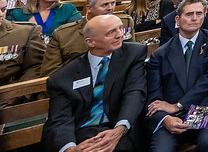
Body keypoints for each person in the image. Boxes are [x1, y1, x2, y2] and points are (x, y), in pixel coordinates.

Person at [42, 15, 147, 152]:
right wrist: (70, 148)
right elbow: (60, 118)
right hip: (83, 130)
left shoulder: (133, 54)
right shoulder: (63, 77)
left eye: (120, 28)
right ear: (90, 42)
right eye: (111, 32)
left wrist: (119, 130)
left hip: (120, 125)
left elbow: (134, 93)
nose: (120, 34)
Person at [146, 0, 208, 151]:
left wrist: (178, 105)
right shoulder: (160, 54)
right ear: (177, 19)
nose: (195, 18)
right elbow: (153, 96)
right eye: (189, 14)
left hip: (204, 109)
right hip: (172, 116)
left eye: (199, 14)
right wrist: (165, 118)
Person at [41, 0, 136, 77]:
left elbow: (131, 54)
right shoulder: (64, 34)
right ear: (89, 8)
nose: (110, 8)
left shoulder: (124, 22)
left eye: (113, 3)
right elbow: (51, 73)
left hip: (118, 76)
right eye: (105, 5)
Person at [9, 0, 82, 38]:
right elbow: (7, 34)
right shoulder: (18, 14)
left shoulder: (68, 9)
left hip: (57, 50)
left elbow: (76, 32)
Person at [0, 0, 45, 85]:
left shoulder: (26, 32)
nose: (1, 14)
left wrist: (17, 93)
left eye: (3, 9)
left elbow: (37, 66)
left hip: (9, 90)